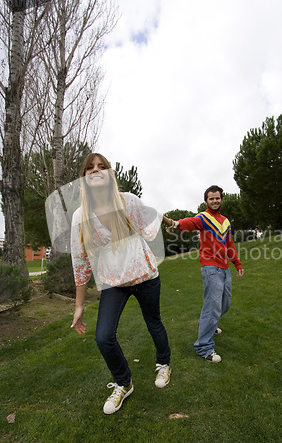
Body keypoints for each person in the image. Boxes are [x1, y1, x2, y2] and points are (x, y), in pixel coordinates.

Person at [70, 153, 173, 414]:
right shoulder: (80, 217)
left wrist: (171, 222)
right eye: (90, 168)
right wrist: (79, 305)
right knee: (103, 337)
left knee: (154, 322)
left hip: (144, 276)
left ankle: (164, 363)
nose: (95, 171)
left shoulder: (127, 201)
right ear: (84, 177)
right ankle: (123, 382)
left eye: (101, 167)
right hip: (113, 283)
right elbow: (80, 262)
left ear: (109, 174)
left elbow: (152, 215)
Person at [172, 185, 244, 363]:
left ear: (221, 199)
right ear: (206, 201)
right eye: (211, 198)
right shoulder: (203, 218)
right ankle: (203, 346)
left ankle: (208, 325)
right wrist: (177, 224)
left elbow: (229, 246)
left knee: (224, 304)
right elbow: (190, 222)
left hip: (225, 268)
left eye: (217, 198)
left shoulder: (225, 221)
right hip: (210, 268)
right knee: (213, 307)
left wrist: (237, 263)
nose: (215, 201)